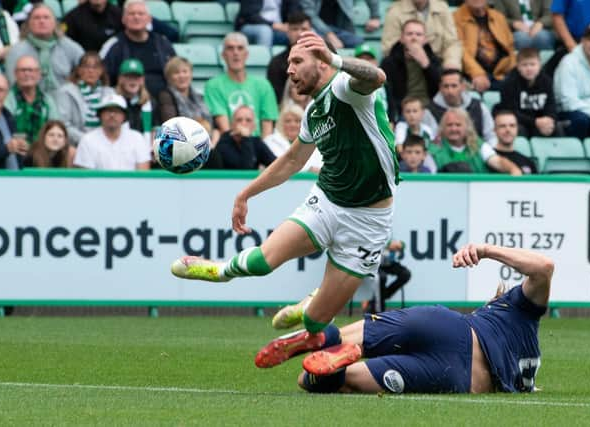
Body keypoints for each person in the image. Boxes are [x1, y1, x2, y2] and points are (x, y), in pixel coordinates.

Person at [171, 31, 398, 337]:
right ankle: (217, 271)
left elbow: (377, 76)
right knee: (264, 261)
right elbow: (292, 160)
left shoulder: (346, 89)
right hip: (328, 200)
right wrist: (245, 193)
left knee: (316, 322)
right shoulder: (313, 112)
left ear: (320, 61)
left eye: (297, 61)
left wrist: (335, 59)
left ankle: (310, 307)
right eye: (288, 62)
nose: (288, 70)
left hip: (369, 221)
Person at [255, 243, 554, 395]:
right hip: (454, 376)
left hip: (446, 327)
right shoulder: (522, 324)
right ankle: (328, 346)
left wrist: (486, 250)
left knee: (325, 363)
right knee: (317, 382)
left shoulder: (512, 309)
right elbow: (544, 267)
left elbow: (544, 266)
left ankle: (326, 338)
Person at [204, 32, 278, 139]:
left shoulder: (263, 85)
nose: (235, 53)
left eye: (240, 48)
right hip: (231, 144)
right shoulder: (213, 85)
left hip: (259, 145)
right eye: (230, 48)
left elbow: (267, 128)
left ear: (246, 54)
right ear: (223, 55)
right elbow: (225, 128)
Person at [99, 0, 175, 98]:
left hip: (163, 102)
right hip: (126, 102)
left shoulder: (163, 43)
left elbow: (175, 72)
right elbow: (102, 78)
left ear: (149, 19)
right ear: (123, 19)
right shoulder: (113, 45)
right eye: (131, 14)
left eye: (141, 14)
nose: (136, 17)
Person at [4, 4, 84, 96]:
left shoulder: (69, 47)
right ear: (29, 23)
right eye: (36, 18)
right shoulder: (16, 51)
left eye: (46, 17)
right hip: (29, 103)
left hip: (66, 100)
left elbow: (86, 70)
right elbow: (12, 83)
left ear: (55, 22)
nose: (42, 21)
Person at [554, 23, 590, 139]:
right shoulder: (568, 63)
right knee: (581, 121)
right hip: (574, 111)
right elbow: (568, 102)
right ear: (582, 41)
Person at [380, 19, 442, 121]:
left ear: (425, 39)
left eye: (418, 34)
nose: (414, 38)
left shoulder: (434, 60)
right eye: (409, 34)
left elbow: (440, 87)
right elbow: (387, 93)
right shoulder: (390, 62)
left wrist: (426, 65)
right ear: (402, 38)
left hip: (429, 107)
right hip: (402, 110)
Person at [430, 107, 522, 174]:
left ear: (467, 127)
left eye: (458, 125)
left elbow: (497, 161)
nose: (454, 129)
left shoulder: (479, 145)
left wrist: (512, 169)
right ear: (442, 128)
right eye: (449, 125)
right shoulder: (433, 149)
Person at [73, 93, 151, 170]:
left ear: (124, 116)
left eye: (116, 111)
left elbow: (143, 174)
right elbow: (85, 177)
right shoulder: (87, 140)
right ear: (100, 115)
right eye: (108, 111)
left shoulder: (137, 138)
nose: (112, 115)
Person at [453, 0, 516, 92]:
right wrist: (477, 73)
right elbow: (460, 51)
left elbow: (510, 48)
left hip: (501, 73)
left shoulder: (498, 17)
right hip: (472, 75)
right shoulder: (455, 18)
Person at [423, 69, 496, 146]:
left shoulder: (479, 107)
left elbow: (491, 137)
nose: (450, 91)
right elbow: (431, 142)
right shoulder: (429, 111)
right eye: (446, 86)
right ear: (440, 88)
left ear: (463, 86)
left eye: (454, 86)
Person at [381, 0, 462, 70]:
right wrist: (412, 53)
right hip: (405, 69)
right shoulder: (395, 11)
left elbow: (452, 42)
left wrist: (451, 62)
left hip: (438, 66)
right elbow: (388, 48)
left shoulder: (442, 8)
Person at [56, 52, 114, 146]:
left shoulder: (110, 93)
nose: (91, 71)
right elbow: (63, 124)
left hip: (105, 143)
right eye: (86, 67)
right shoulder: (66, 92)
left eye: (95, 67)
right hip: (76, 145)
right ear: (79, 70)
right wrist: (87, 140)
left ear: (101, 71)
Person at [498, 47, 559, 138]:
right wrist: (535, 122)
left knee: (554, 128)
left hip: (539, 121)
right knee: (520, 129)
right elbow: (511, 111)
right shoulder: (509, 83)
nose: (529, 68)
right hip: (520, 121)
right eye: (525, 65)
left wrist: (549, 120)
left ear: (539, 65)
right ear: (518, 67)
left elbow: (551, 106)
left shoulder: (547, 82)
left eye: (532, 64)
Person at [267, 11, 312, 103]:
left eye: (304, 29)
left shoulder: (320, 60)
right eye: (295, 29)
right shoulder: (276, 63)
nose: (300, 34)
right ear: (287, 32)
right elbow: (275, 100)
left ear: (311, 31)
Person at [264, 104, 322, 173]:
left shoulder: (316, 142)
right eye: (288, 121)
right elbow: (278, 168)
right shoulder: (269, 142)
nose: (293, 125)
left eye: (297, 121)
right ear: (280, 123)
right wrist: (308, 170)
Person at [215, 105, 276, 170]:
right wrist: (245, 138)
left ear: (254, 126)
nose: (243, 123)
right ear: (232, 124)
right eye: (239, 120)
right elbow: (245, 168)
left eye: (248, 120)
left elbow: (275, 164)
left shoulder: (256, 142)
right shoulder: (224, 142)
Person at [299, 0, 380, 49]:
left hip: (342, 29)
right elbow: (310, 14)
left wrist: (375, 16)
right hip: (316, 30)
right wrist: (329, 35)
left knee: (359, 44)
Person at [361, 238, 411, 314]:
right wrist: (387, 246)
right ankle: (378, 312)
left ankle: (383, 295)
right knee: (382, 277)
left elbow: (402, 245)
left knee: (405, 274)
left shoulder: (391, 237)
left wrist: (399, 245)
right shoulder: (377, 239)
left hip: (389, 264)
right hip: (376, 265)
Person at [115, 58, 152, 145]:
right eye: (128, 77)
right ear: (120, 79)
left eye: (136, 77)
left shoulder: (150, 102)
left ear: (142, 80)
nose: (133, 81)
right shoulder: (114, 102)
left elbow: (155, 128)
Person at [234, 0, 301, 48]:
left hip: (281, 29)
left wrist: (291, 26)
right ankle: (263, 64)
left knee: (304, 32)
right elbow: (249, 15)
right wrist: (273, 25)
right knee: (265, 31)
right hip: (252, 26)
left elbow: (295, 13)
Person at [491, 110, 537, 174]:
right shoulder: (489, 159)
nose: (508, 130)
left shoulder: (528, 162)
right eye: (502, 126)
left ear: (517, 129)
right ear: (494, 130)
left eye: (512, 125)